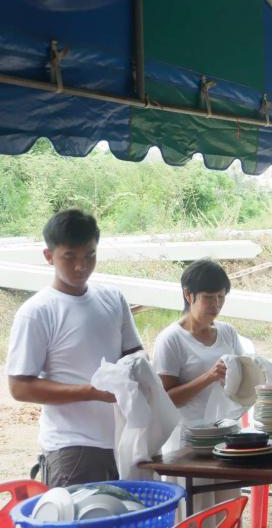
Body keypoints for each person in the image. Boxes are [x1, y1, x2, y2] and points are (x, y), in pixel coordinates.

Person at [6, 209, 143, 487]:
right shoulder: (37, 312)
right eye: (70, 257)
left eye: (90, 255)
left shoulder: (113, 298)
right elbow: (20, 387)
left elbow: (135, 354)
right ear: (49, 256)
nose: (81, 266)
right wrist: (90, 392)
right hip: (72, 447)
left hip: (123, 440)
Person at [153, 259, 245, 516]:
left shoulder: (228, 333)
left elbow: (242, 376)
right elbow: (167, 399)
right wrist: (209, 377)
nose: (216, 305)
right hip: (188, 443)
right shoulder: (171, 339)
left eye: (221, 297)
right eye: (209, 298)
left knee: (227, 509)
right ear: (188, 295)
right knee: (197, 512)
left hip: (225, 437)